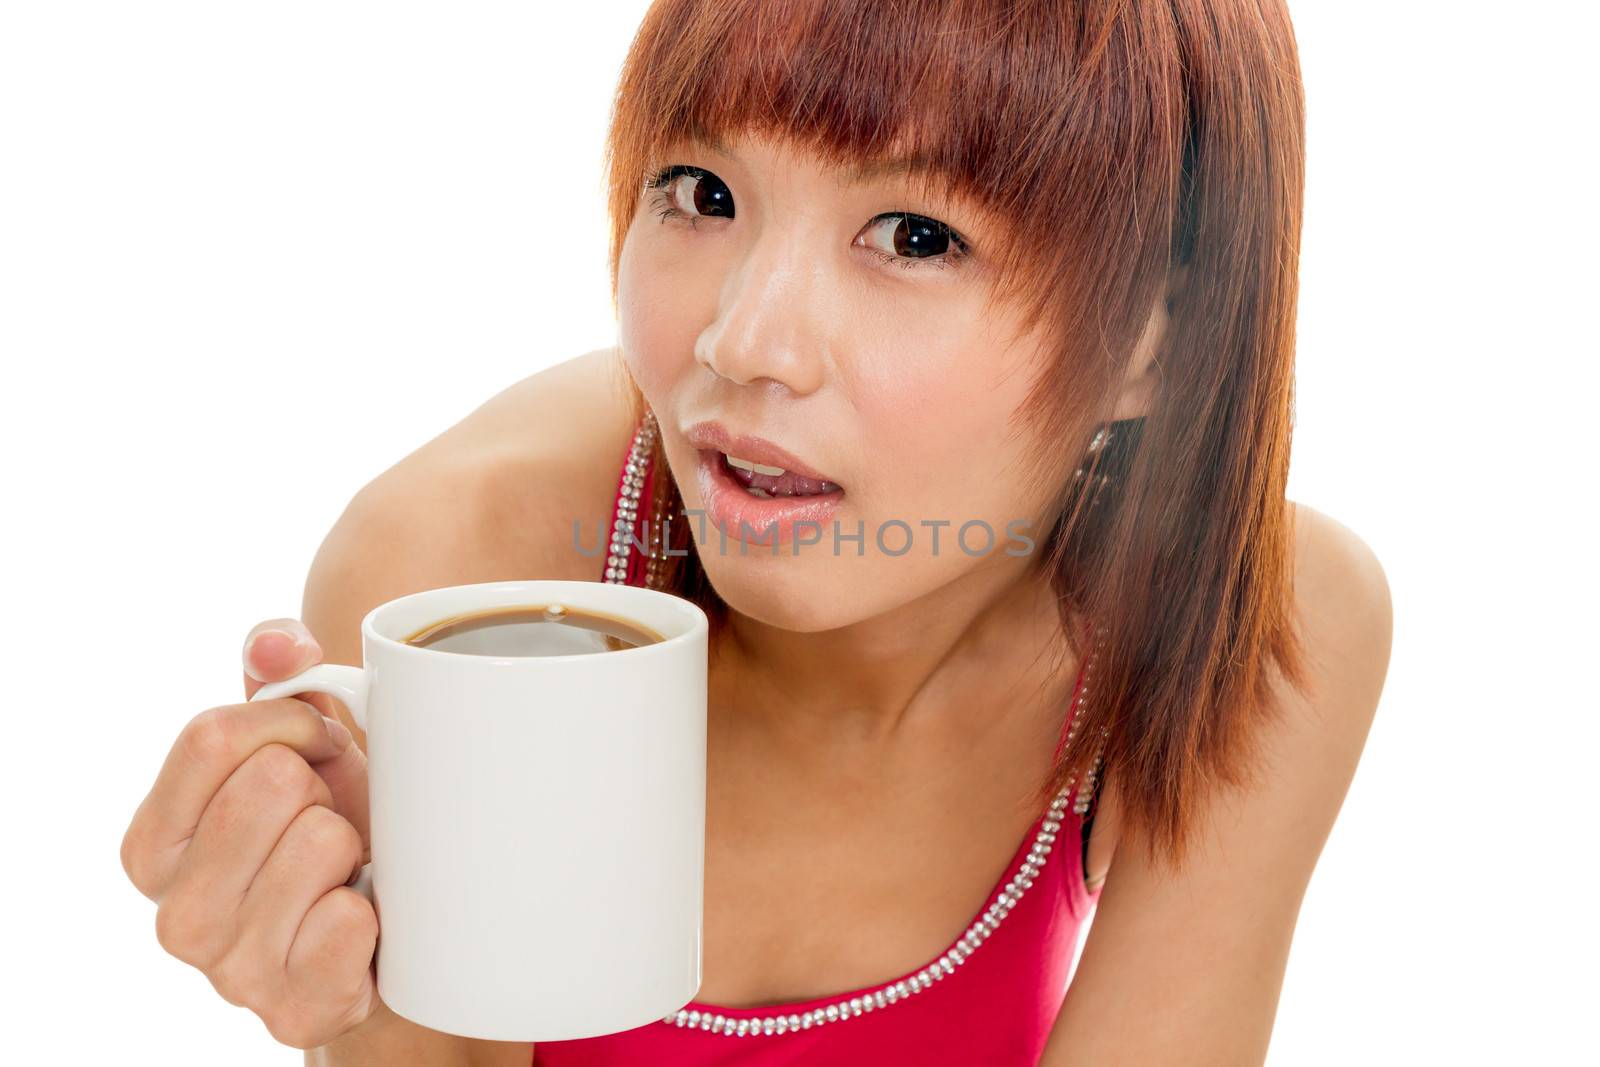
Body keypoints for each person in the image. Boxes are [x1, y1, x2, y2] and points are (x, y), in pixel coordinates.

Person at [119, 1, 1392, 1064]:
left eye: (916, 236)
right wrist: (369, 1009)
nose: (742, 342)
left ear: (1151, 342)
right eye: (701, 190)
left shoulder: (1254, 627)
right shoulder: (459, 565)